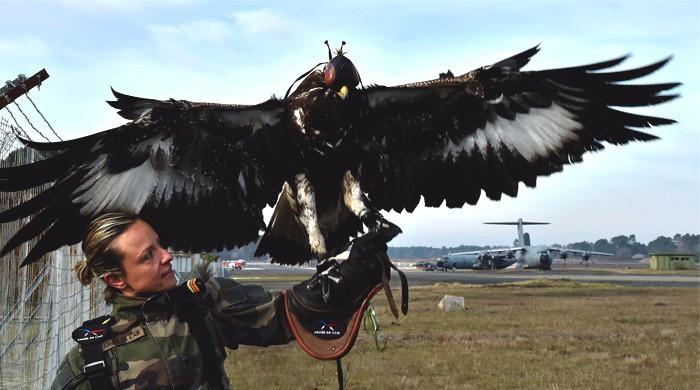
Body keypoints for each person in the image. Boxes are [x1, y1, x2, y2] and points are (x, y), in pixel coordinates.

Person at [50, 212, 391, 389]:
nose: (168, 256)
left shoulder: (204, 303)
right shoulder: (90, 363)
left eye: (160, 244)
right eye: (148, 256)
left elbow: (284, 313)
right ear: (116, 279)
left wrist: (342, 278)